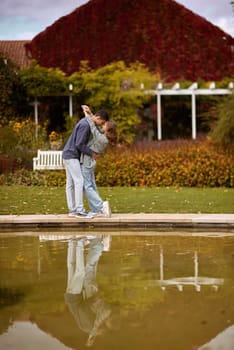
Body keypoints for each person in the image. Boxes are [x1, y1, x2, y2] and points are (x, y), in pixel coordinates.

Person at [64, 235, 119, 347]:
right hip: (71, 297)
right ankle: (72, 242)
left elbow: (82, 309)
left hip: (74, 297)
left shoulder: (89, 326)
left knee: (80, 272)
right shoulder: (88, 327)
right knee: (71, 266)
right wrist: (91, 338)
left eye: (102, 333)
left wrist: (94, 299)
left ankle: (79, 243)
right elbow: (94, 327)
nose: (103, 331)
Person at [62, 109, 109, 218]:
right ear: (98, 118)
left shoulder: (86, 121)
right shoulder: (85, 126)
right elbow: (79, 144)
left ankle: (72, 210)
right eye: (101, 123)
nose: (100, 126)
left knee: (70, 184)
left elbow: (92, 122)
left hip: (68, 154)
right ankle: (79, 210)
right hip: (72, 155)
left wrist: (88, 112)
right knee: (79, 181)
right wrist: (92, 153)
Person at [80, 105, 118, 217]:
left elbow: (92, 126)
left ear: (107, 129)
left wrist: (87, 114)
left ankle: (101, 205)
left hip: (87, 162)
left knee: (86, 186)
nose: (102, 124)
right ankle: (96, 209)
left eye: (105, 124)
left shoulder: (102, 139)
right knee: (91, 185)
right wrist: (90, 113)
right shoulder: (103, 136)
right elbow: (95, 126)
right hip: (90, 162)